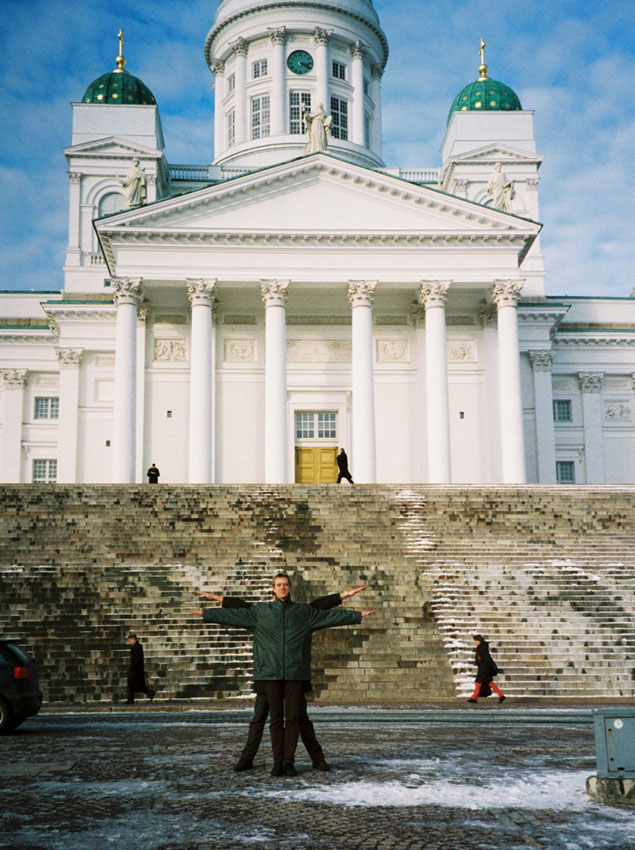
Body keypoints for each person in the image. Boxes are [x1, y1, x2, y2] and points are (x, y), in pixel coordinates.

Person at [190, 573, 374, 777]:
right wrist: (207, 613)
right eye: (278, 585)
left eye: (285, 584)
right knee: (269, 718)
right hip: (269, 673)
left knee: (295, 718)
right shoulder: (261, 612)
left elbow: (327, 615)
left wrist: (356, 615)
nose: (282, 588)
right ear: (273, 589)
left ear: (290, 587)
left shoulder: (302, 612)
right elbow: (235, 614)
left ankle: (293, 761)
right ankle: (272, 760)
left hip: (293, 672)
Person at [468, 634, 505, 704]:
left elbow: (488, 658)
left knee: (478, 682)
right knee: (489, 683)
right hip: (483, 668)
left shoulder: (482, 648)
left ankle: (474, 698)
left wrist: (495, 668)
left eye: (476, 640)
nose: (475, 642)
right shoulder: (481, 647)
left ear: (479, 641)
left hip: (484, 668)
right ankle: (501, 695)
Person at [126, 633, 156, 704]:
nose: (129, 642)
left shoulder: (137, 646)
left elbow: (137, 659)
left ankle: (131, 699)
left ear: (133, 639)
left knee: (133, 684)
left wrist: (133, 667)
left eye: (130, 641)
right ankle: (131, 699)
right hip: (136, 669)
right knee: (135, 685)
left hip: (136, 670)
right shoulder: (136, 646)